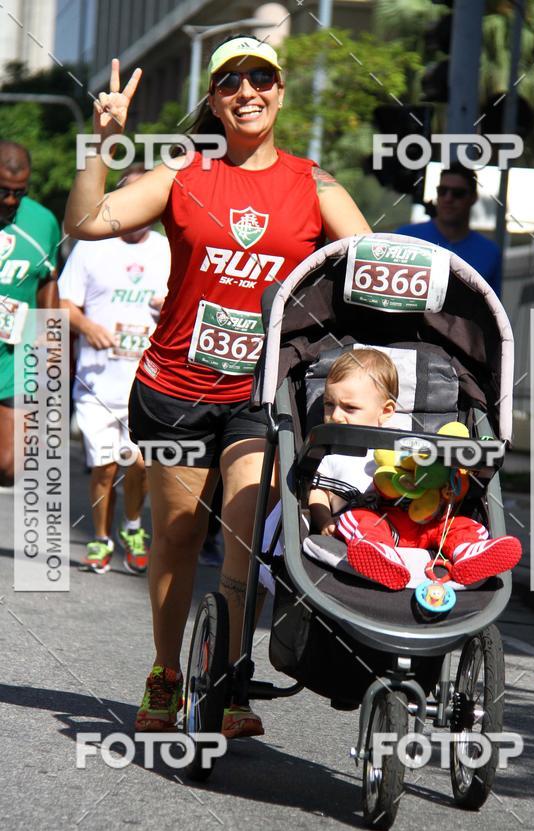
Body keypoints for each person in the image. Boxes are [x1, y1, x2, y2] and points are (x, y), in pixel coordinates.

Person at [64, 37, 371, 737]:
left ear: (281, 90)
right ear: (214, 98)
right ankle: (167, 673)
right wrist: (102, 142)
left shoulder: (313, 184)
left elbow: (372, 264)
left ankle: (231, 684)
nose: (246, 90)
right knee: (175, 537)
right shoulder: (183, 173)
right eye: (229, 80)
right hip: (175, 390)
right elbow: (88, 219)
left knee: (242, 534)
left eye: (260, 76)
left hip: (261, 396)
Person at [309, 349, 521, 589]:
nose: (335, 415)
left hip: (425, 523)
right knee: (359, 519)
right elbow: (318, 494)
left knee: (460, 525)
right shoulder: (332, 455)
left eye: (349, 408)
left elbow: (429, 474)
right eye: (329, 404)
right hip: (379, 523)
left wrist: (446, 485)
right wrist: (324, 520)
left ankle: (469, 552)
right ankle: (379, 556)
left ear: (386, 411)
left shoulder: (404, 448)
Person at [59, 165, 170, 574]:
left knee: (138, 462)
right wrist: (88, 327)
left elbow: (190, 302)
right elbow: (64, 304)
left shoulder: (167, 248)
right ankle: (101, 538)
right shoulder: (91, 246)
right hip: (96, 381)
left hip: (147, 379)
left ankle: (134, 526)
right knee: (105, 466)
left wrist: (170, 305)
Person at [0, 141, 60, 485]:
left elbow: (48, 279)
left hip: (13, 356)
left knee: (11, 466)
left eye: (19, 192)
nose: (10, 200)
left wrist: (50, 336)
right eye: (3, 191)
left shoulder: (42, 222)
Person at [396, 163, 502, 297]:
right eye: (442, 191)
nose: (448, 198)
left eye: (457, 193)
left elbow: (492, 311)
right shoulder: (405, 238)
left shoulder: (490, 252)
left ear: (473, 198)